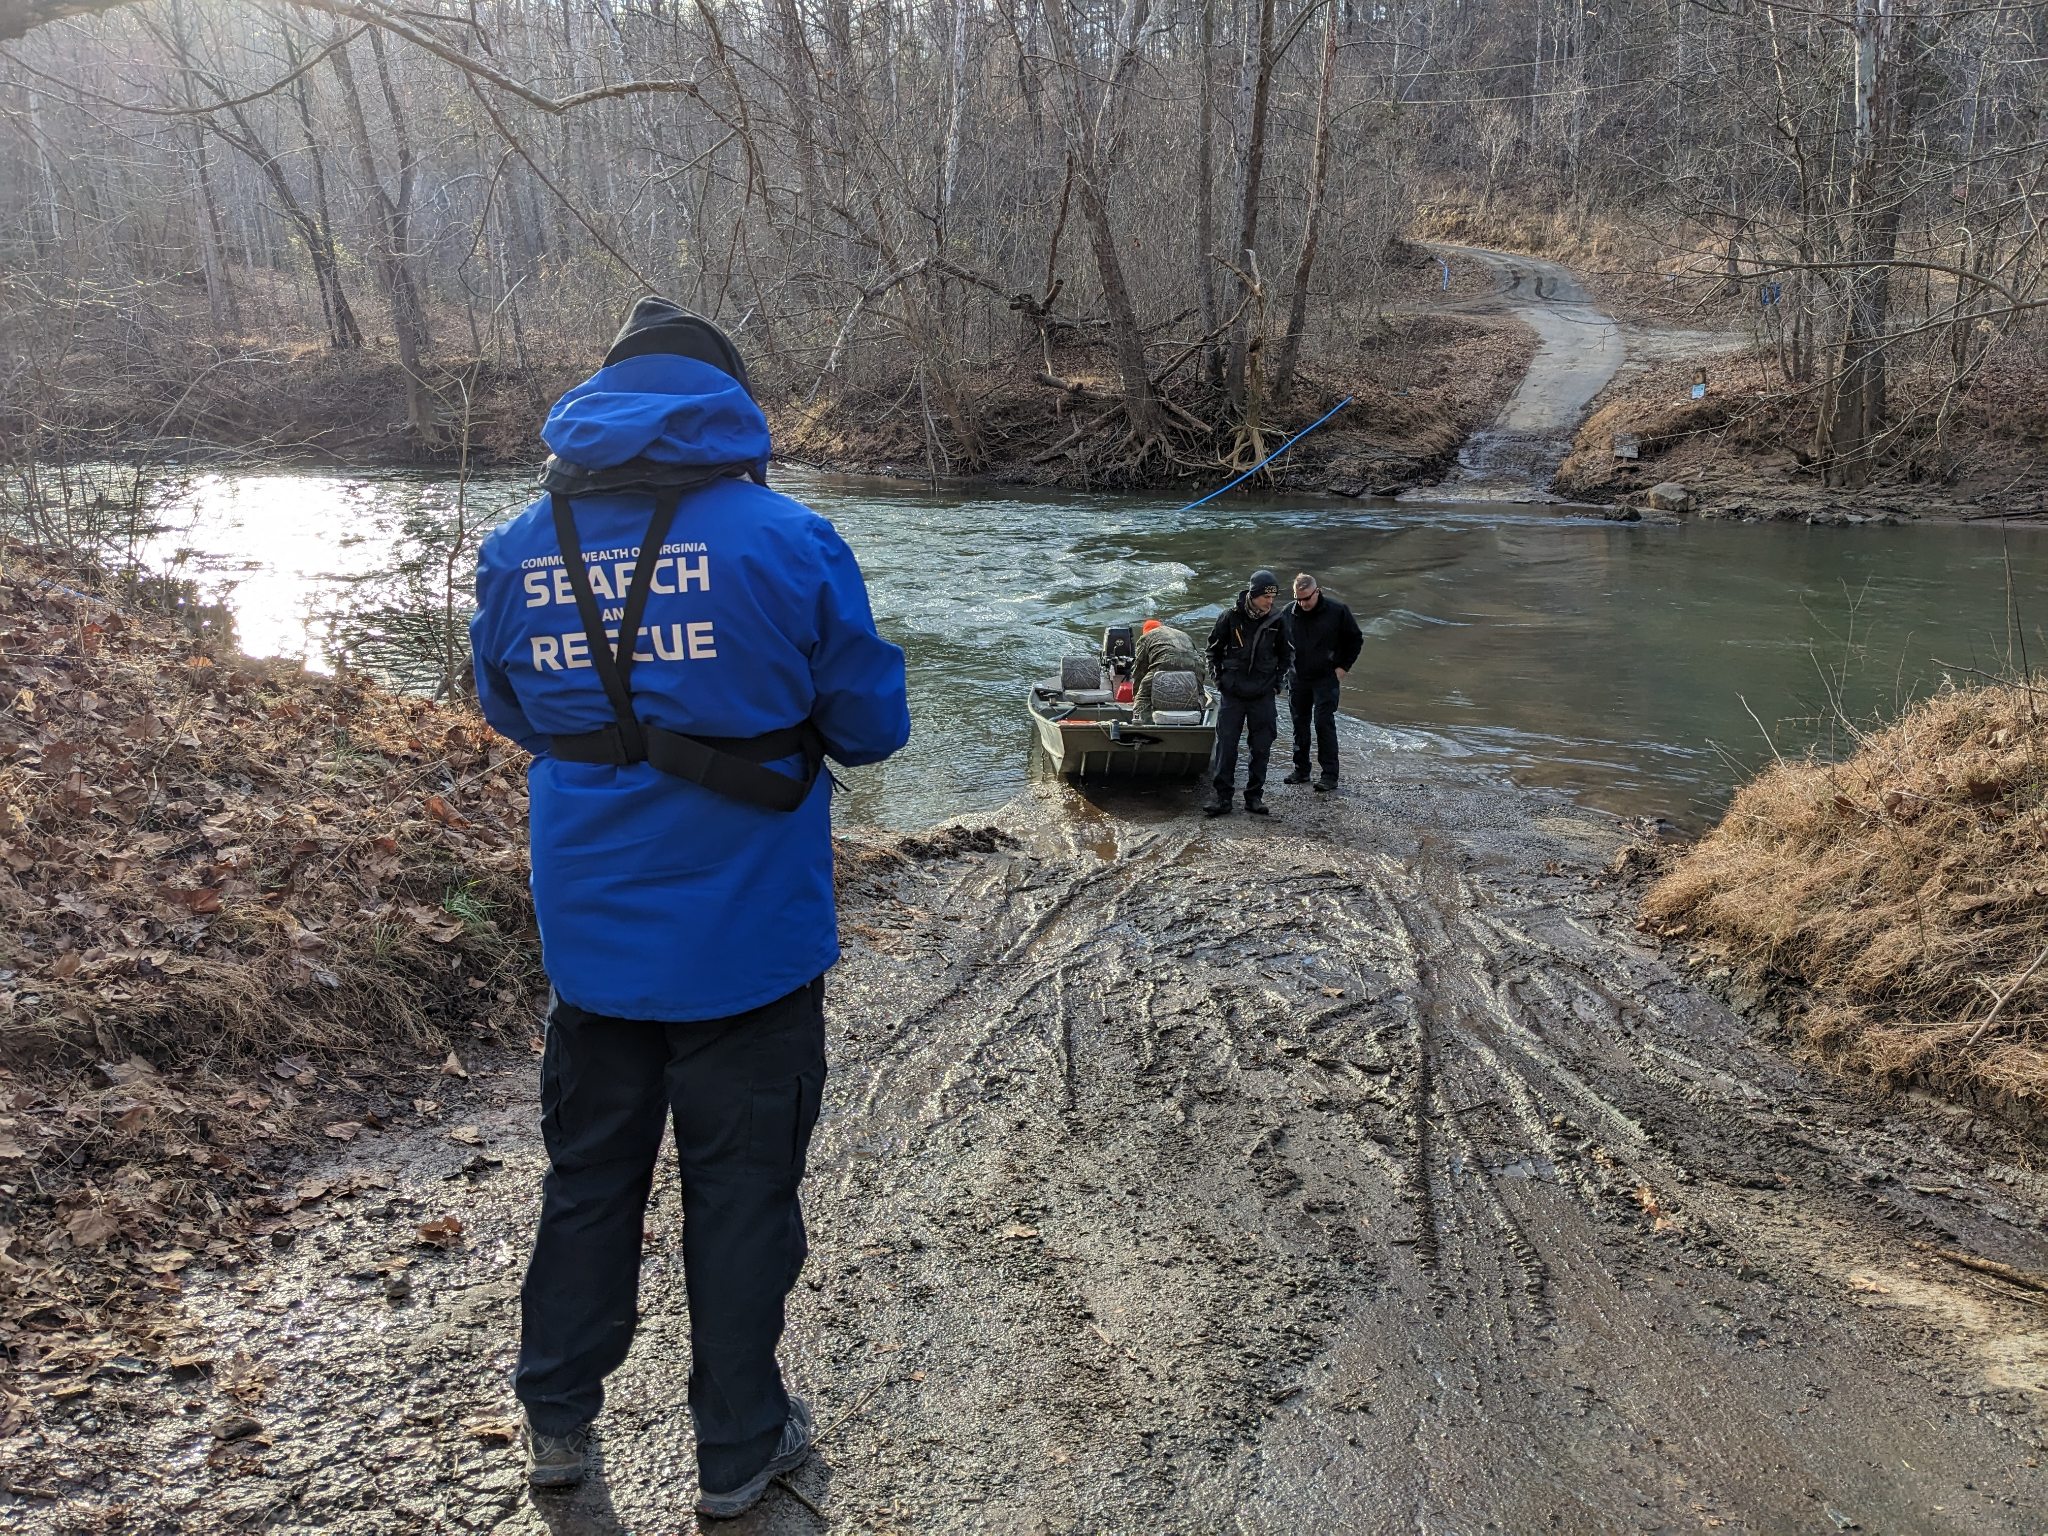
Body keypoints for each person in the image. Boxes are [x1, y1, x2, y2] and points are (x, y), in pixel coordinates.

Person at [469, 297, 910, 1519]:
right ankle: (738, 1458)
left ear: (601, 401)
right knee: (741, 1196)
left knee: (587, 1182)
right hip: (751, 947)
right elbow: (873, 730)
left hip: (593, 942)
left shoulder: (515, 547)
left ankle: (557, 1427)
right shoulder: (788, 538)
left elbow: (507, 708)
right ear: (727, 403)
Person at [1203, 569, 1293, 816]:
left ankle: (1254, 797)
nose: (1270, 601)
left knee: (1261, 747)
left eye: (1273, 597)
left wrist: (1278, 684)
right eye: (1266, 596)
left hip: (1263, 695)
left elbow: (1287, 656)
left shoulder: (1278, 621)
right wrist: (1219, 681)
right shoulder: (1229, 617)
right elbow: (1212, 652)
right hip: (1232, 693)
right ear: (1253, 595)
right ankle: (1222, 799)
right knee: (1227, 746)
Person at [1282, 573, 1363, 791]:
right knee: (1300, 724)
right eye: (1298, 598)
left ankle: (1329, 775)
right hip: (1297, 677)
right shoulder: (1288, 613)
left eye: (1307, 598)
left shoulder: (1337, 611)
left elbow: (1355, 639)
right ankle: (1301, 770)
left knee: (1323, 722)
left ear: (1317, 592)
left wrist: (1343, 667)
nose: (1303, 603)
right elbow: (1278, 643)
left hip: (1326, 677)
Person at [1131, 617, 1204, 721]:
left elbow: (1139, 670)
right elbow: (1196, 655)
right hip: (1195, 666)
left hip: (1166, 662)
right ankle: (1201, 722)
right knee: (1198, 694)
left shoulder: (1146, 637)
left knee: (1143, 697)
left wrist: (1136, 694)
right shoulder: (1182, 634)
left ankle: (1142, 724)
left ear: (1145, 632)